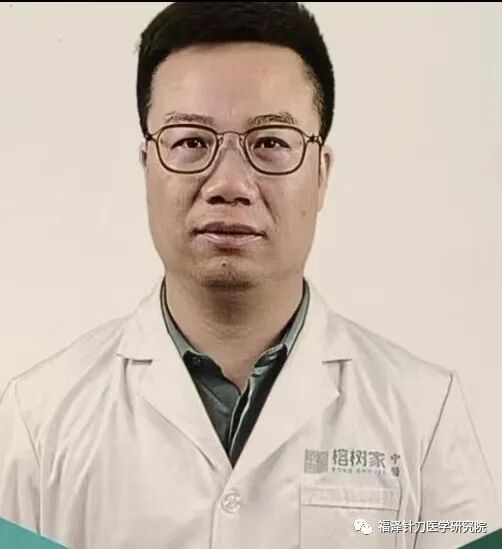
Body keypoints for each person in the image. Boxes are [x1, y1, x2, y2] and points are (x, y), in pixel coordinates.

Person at [0, 2, 500, 548]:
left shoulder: (423, 416)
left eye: (270, 143)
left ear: (321, 173)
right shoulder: (39, 421)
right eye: (191, 142)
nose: (229, 184)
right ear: (147, 167)